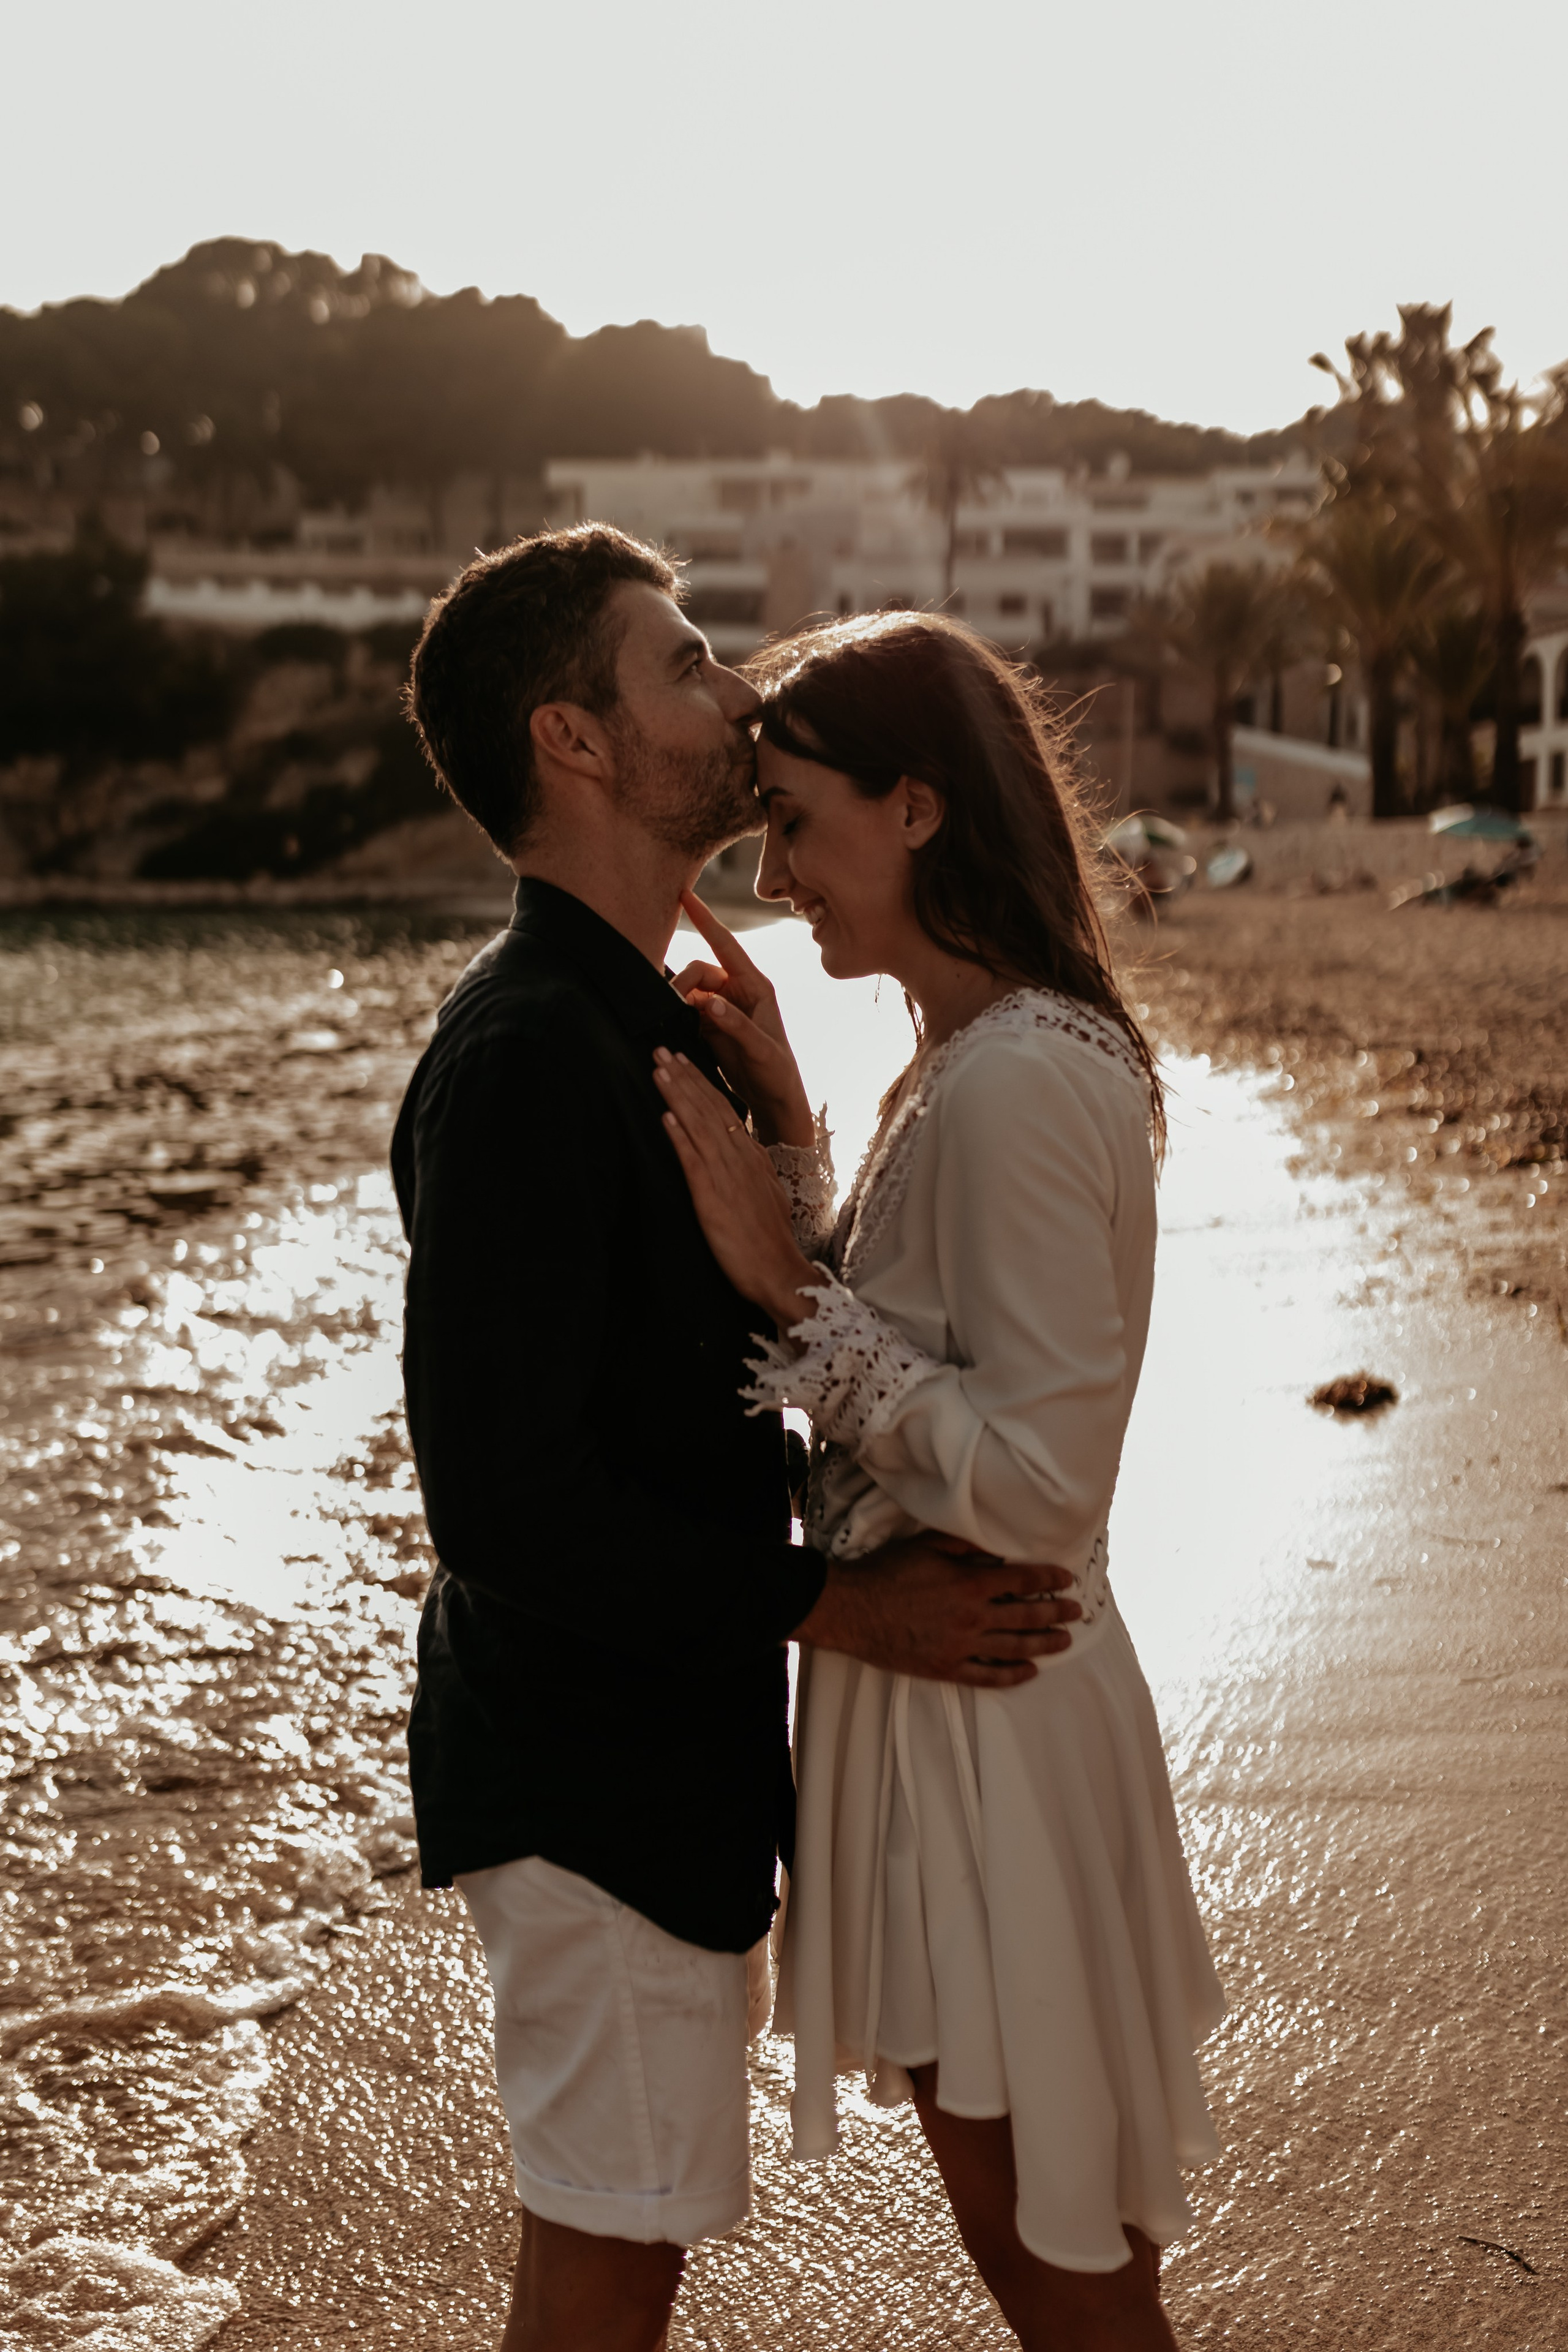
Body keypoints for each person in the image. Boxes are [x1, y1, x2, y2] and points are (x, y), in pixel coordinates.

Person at [391, 529, 1080, 2352]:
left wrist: (784, 1139)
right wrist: (830, 1610)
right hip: (586, 1775)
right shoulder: (529, 1053)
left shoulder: (645, 1033)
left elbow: (696, 1364)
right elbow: (505, 1503)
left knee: (626, 2256)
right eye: (684, 663)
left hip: (656, 1765)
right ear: (579, 741)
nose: (737, 691)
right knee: (606, 2275)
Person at [655, 609, 1224, 2351]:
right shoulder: (963, 1061)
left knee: (1056, 2259)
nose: (773, 869)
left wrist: (787, 1285)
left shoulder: (1022, 1079)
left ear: (916, 808)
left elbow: (1044, 1480)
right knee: (1039, 2239)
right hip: (959, 1698)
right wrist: (798, 1142)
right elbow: (939, 1335)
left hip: (992, 1703)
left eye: (795, 819)